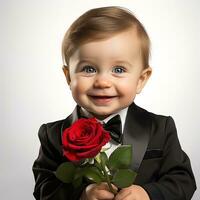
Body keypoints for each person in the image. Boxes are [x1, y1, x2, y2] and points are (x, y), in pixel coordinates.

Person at [32, 6, 196, 200]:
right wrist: (82, 195)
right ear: (69, 76)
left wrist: (149, 194)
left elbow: (184, 180)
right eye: (89, 68)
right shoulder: (52, 135)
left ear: (141, 79)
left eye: (118, 69)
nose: (102, 82)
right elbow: (44, 189)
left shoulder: (160, 128)